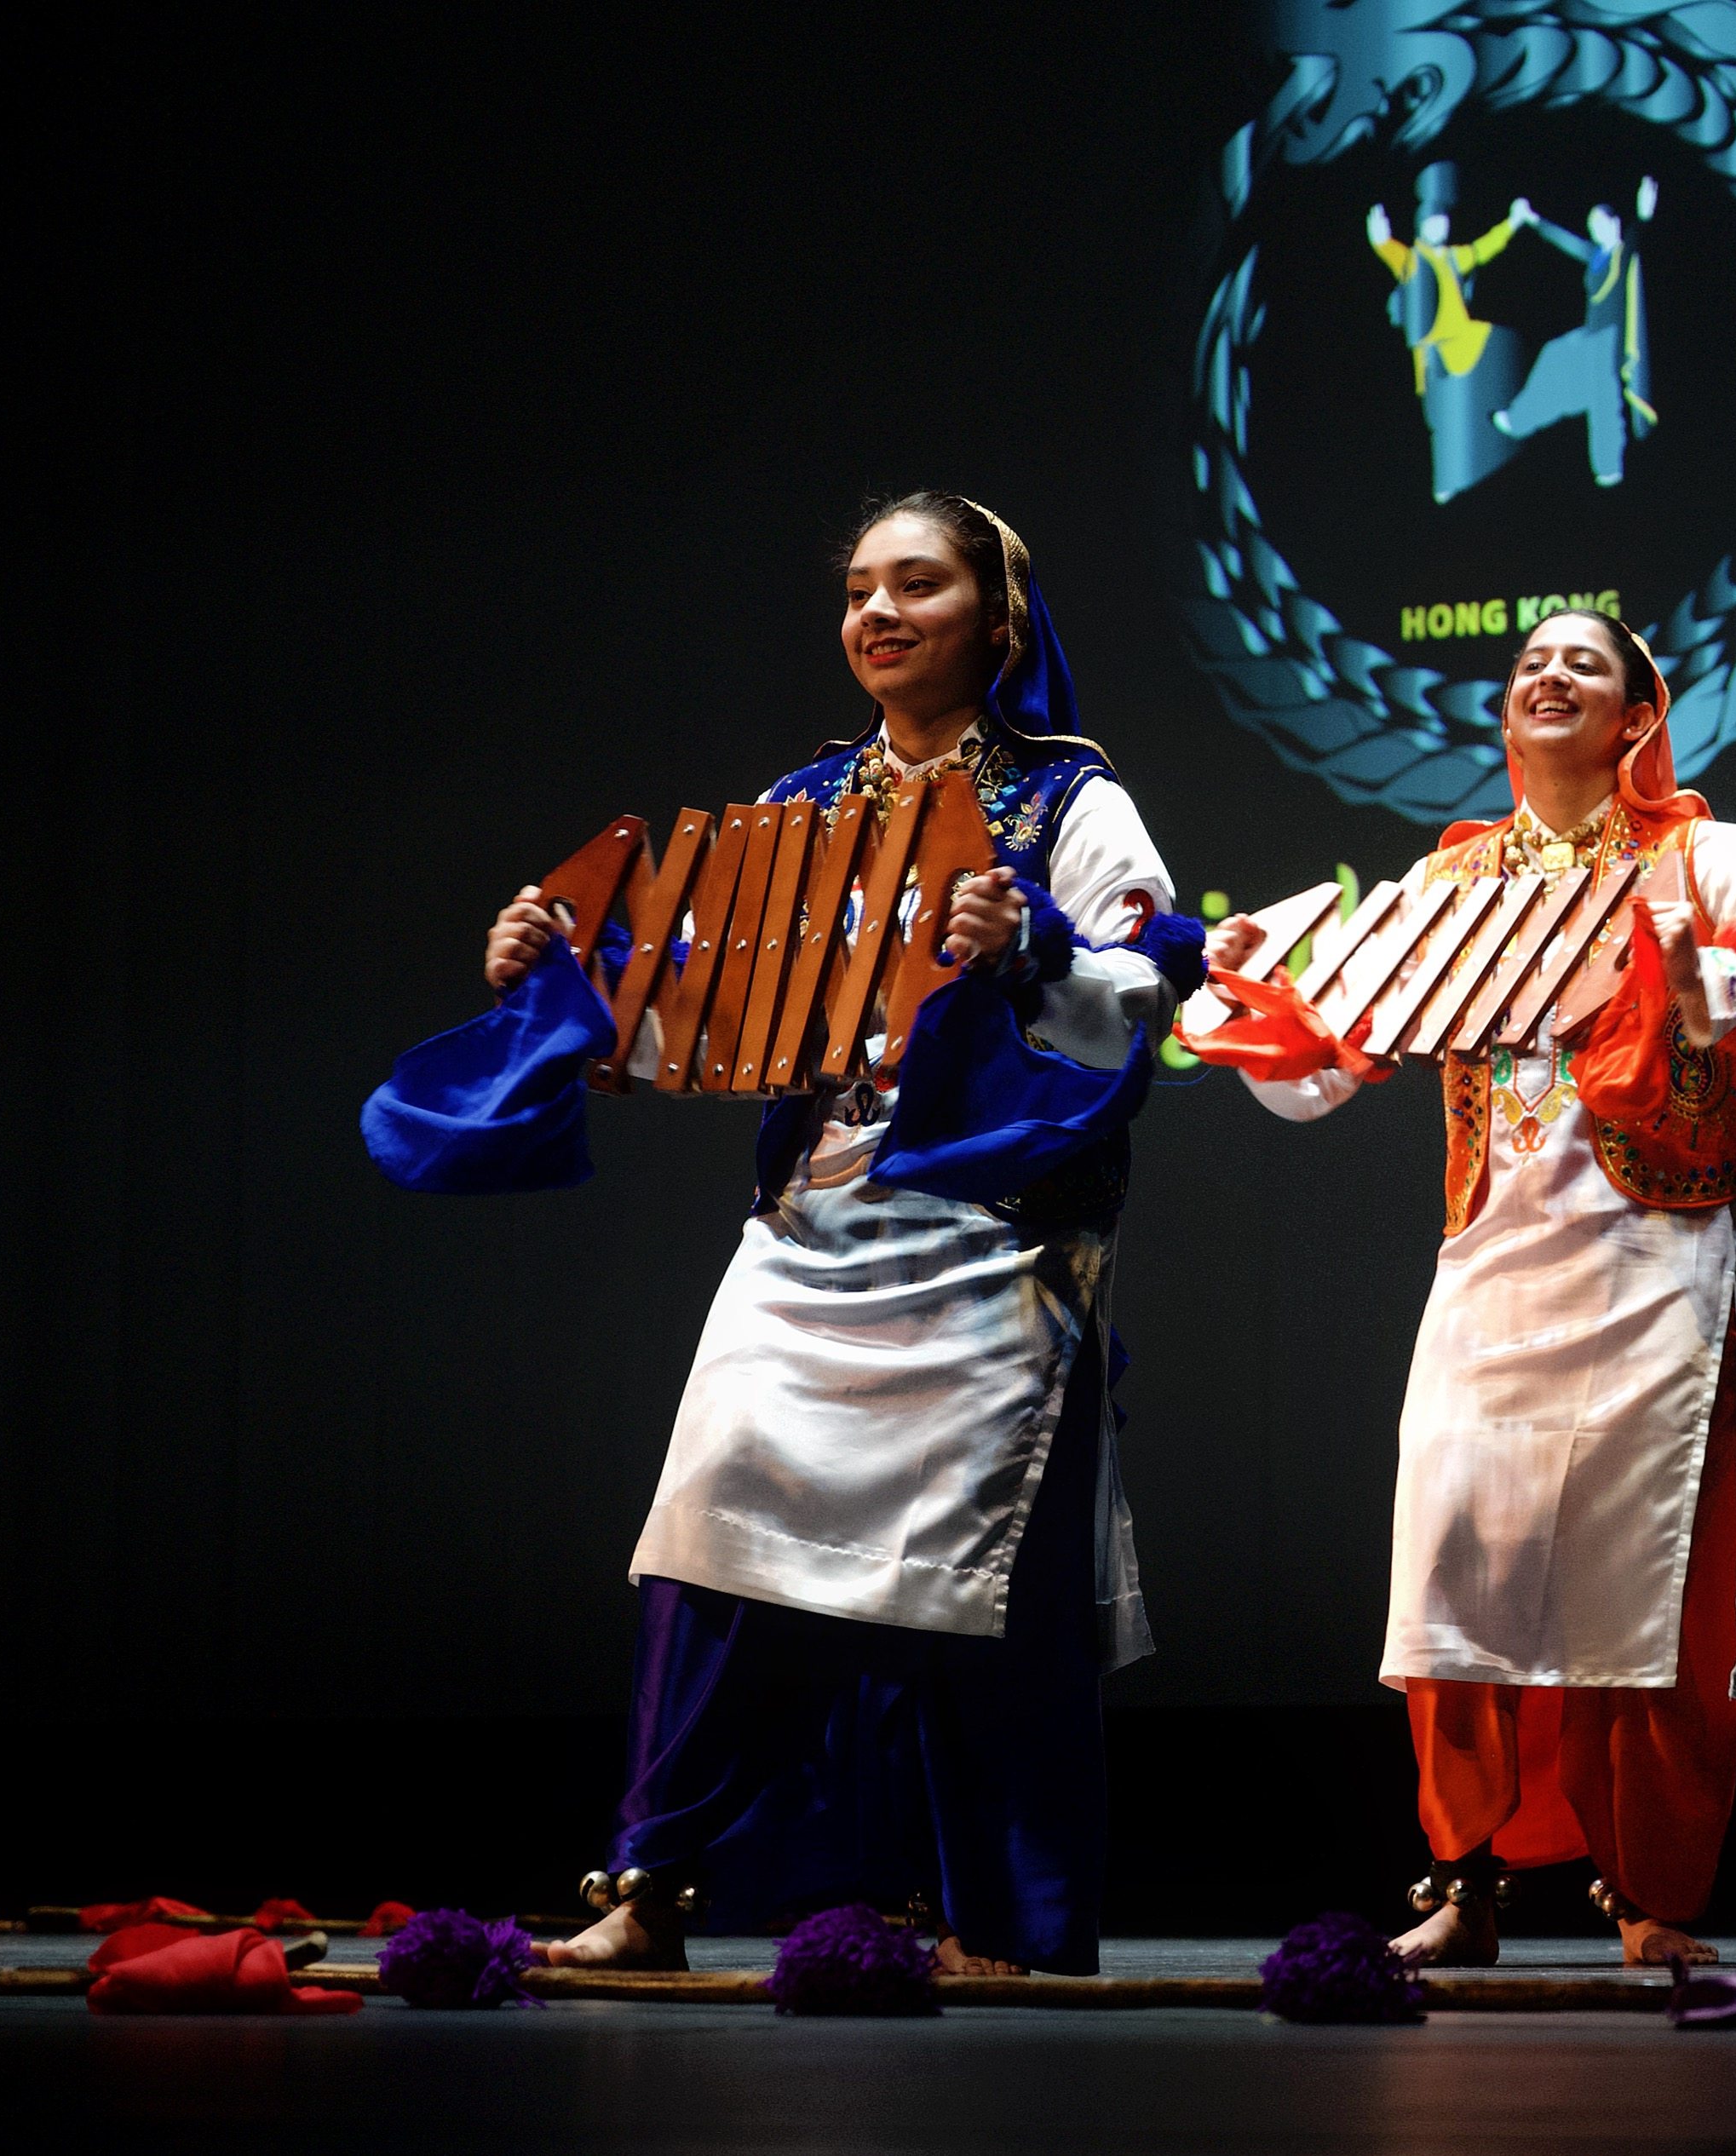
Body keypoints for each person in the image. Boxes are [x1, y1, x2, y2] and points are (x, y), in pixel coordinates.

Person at [478, 493, 1199, 1976]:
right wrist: (563, 979)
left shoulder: (1069, 800)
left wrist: (1037, 948)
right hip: (810, 1234)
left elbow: (1144, 991)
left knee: (968, 1588)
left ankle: (1003, 1921)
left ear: (998, 620)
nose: (878, 611)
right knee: (709, 1539)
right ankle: (652, 1887)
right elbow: (700, 1013)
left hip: (989, 1248)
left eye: (917, 585)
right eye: (861, 587)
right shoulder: (800, 806)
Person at [1199, 609, 1736, 1967]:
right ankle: (1463, 1879)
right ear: (1506, 715)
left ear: (1637, 715)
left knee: (1643, 1583)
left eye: (1583, 663)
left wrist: (1728, 981)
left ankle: (1650, 1893)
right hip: (1489, 1274)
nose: (1547, 675)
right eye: (1528, 666)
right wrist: (1242, 1007)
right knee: (1450, 1569)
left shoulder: (1702, 855)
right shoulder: (1448, 882)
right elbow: (1320, 1075)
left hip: (1653, 1265)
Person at [1368, 161, 1533, 503]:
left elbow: (1483, 249)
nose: (1441, 227)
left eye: (1443, 222)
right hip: (1432, 353)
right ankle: (1445, 481)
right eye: (1434, 222)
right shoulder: (1414, 261)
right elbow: (1393, 254)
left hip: (1462, 342)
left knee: (1494, 349)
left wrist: (1513, 222)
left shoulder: (1454, 258)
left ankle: (1502, 430)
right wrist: (1381, 240)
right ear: (1422, 226)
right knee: (1439, 418)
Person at [1494, 175, 1660, 486]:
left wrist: (1643, 214)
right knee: (1554, 354)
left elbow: (1640, 234)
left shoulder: (1623, 252)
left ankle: (1609, 467)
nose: (1596, 230)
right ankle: (1519, 420)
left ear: (1615, 224)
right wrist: (1535, 220)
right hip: (1590, 334)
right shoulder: (1595, 256)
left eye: (1601, 224)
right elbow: (1566, 241)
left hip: (1610, 340)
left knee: (1603, 396)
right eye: (1592, 226)